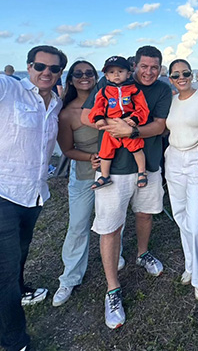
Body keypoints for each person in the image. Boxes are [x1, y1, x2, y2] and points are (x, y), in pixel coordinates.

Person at [0, 45, 67, 351]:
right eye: (39, 66)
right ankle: (15, 343)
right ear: (28, 66)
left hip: (31, 194)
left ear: (60, 73)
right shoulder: (5, 88)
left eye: (54, 68)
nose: (46, 72)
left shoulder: (55, 104)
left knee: (20, 252)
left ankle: (21, 290)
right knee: (3, 273)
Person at [81, 45, 171, 330]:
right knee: (110, 227)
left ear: (160, 68)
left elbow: (158, 126)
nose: (148, 71)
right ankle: (112, 289)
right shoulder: (107, 83)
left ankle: (142, 253)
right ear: (134, 65)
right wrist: (109, 124)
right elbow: (86, 116)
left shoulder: (161, 90)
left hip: (148, 165)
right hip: (114, 169)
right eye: (143, 66)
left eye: (154, 67)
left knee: (145, 214)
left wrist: (130, 130)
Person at [164, 58, 198, 301]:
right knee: (181, 217)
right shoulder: (171, 100)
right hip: (173, 159)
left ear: (192, 73)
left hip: (197, 159)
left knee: (197, 224)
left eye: (185, 72)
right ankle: (190, 264)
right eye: (175, 75)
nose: (181, 77)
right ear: (170, 79)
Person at [53, 60, 108, 307]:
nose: (84, 77)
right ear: (71, 79)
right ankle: (69, 277)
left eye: (89, 73)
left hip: (112, 172)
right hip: (84, 174)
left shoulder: (107, 103)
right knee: (78, 225)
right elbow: (66, 149)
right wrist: (90, 157)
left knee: (112, 221)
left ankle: (113, 256)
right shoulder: (67, 113)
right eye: (78, 73)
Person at [89, 56, 149, 190]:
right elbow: (97, 107)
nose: (116, 74)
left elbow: (142, 108)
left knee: (137, 148)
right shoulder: (104, 91)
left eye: (120, 71)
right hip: (111, 127)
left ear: (128, 73)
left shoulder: (134, 90)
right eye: (111, 72)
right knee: (105, 151)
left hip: (129, 123)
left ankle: (142, 171)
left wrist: (134, 119)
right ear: (106, 76)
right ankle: (105, 176)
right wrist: (99, 118)